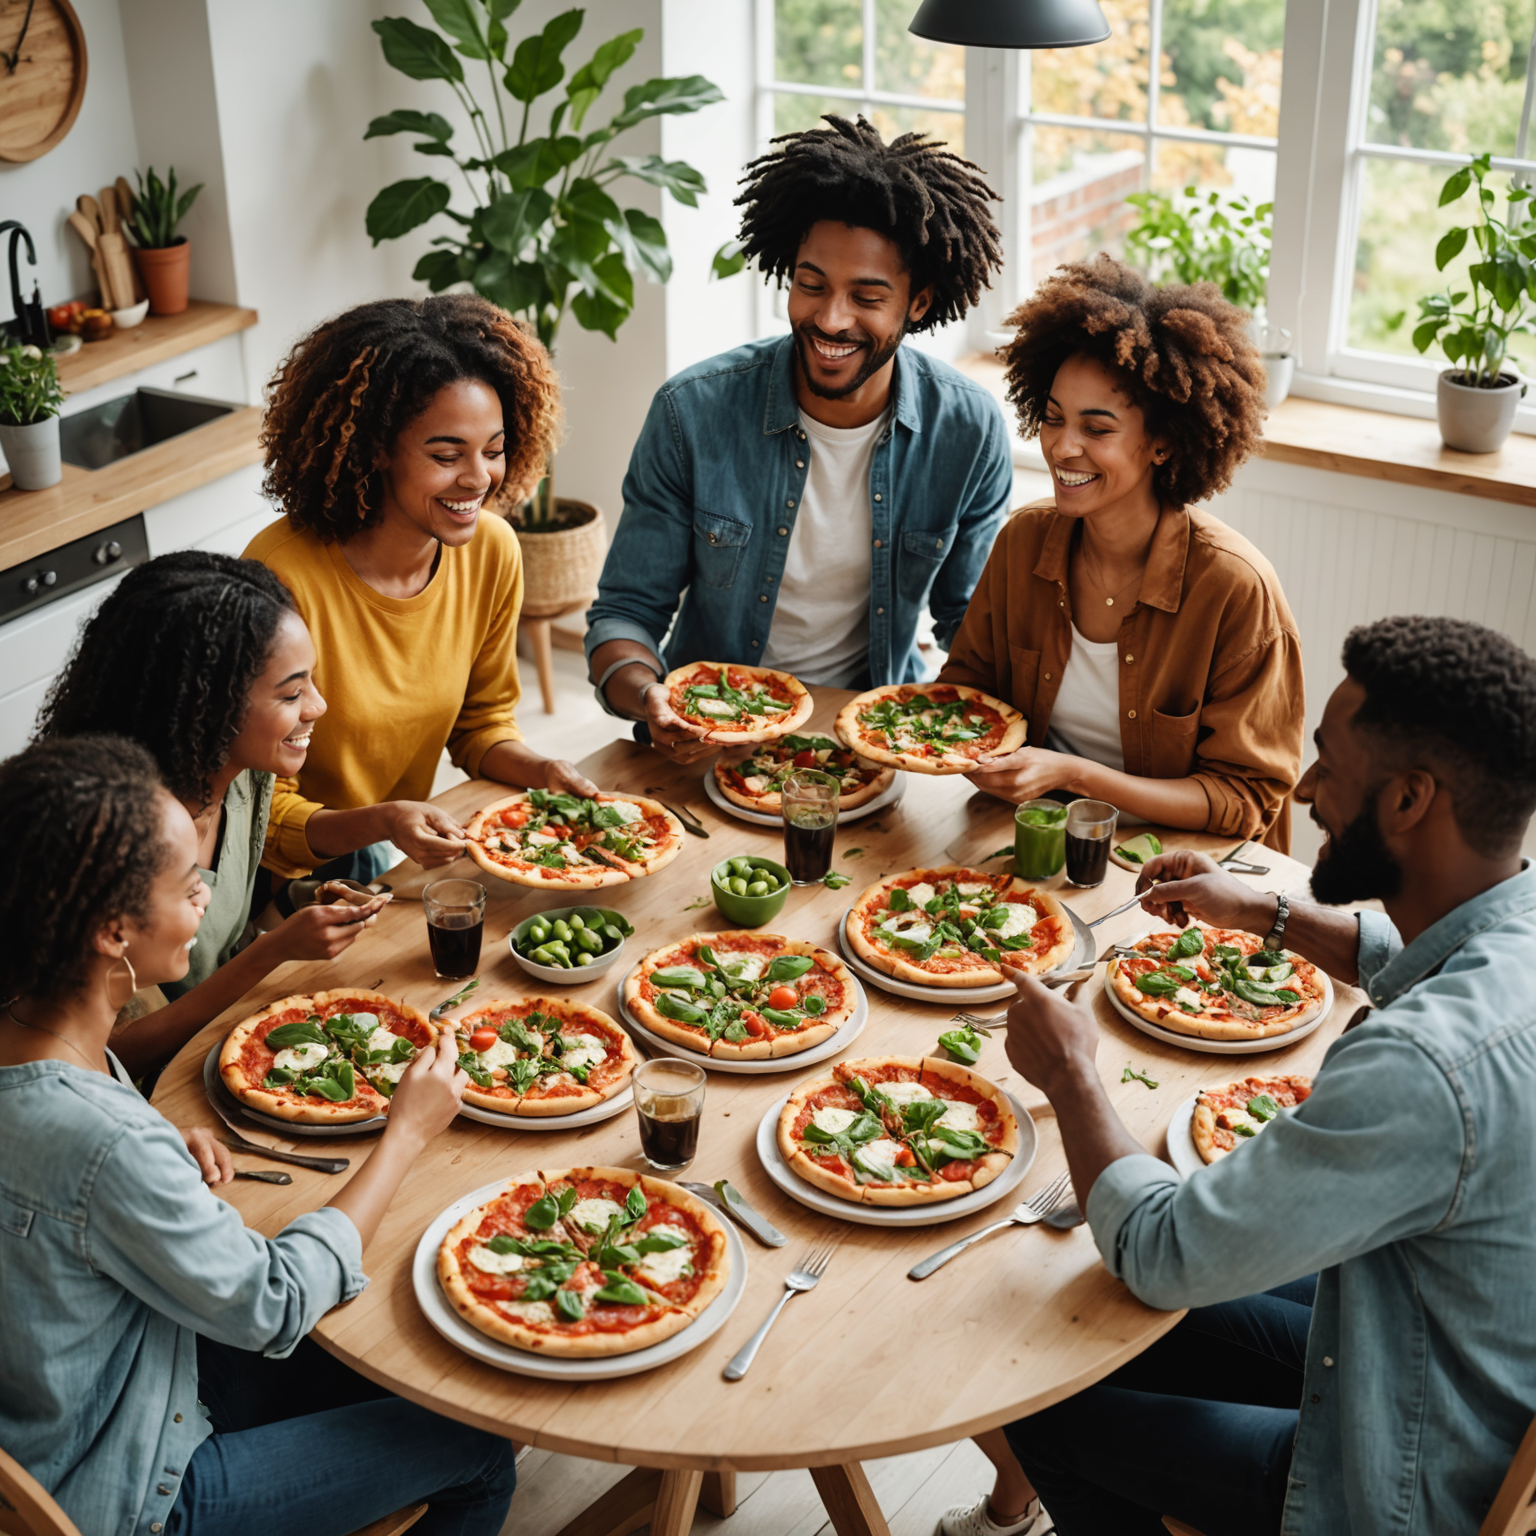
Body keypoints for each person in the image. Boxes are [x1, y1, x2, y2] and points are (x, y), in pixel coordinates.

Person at [982, 615, 1536, 1535]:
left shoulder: (1419, 1068)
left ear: (1408, 801)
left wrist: (1071, 1073)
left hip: (1392, 1481)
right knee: (1088, 1302)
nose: (1308, 788)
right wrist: (1268, 915)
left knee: (1032, 1391)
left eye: (1327, 764)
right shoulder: (1514, 930)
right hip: (1452, 1359)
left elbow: (1164, 1252)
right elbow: (1429, 955)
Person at [0, 735, 516, 1536]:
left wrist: (154, 1152)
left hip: (67, 1403)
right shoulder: (100, 1141)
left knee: (409, 1350)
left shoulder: (31, 1029)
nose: (206, 894)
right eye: (185, 883)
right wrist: (405, 1133)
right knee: (479, 1442)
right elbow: (273, 1305)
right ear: (111, 930)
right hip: (132, 1488)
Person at [584, 114, 1014, 764]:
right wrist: (649, 695)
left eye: (866, 297)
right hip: (708, 741)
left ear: (918, 302)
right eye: (811, 285)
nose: (830, 318)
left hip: (870, 745)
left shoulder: (969, 429)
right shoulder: (690, 411)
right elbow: (624, 612)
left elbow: (972, 630)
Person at [940, 255, 1303, 850]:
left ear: (1162, 443)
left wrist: (1075, 775)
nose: (1062, 446)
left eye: (1098, 429)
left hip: (1186, 876)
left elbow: (1245, 799)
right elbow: (967, 692)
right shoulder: (1022, 541)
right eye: (1053, 418)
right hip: (1034, 839)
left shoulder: (1235, 589)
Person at [247, 292, 595, 889]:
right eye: (446, 454)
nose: (478, 479)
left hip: (369, 852)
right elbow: (261, 816)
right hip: (255, 881)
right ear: (375, 448)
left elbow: (479, 725)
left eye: (493, 450)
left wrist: (544, 769)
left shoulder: (492, 550)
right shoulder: (281, 580)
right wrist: (383, 822)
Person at [34, 551, 390, 1080]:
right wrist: (274, 953)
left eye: (310, 682)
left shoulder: (247, 774)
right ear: (210, 706)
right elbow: (114, 1056)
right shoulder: (117, 836)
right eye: (292, 692)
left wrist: (302, 907)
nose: (318, 706)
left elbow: (224, 935)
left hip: (238, 1038)